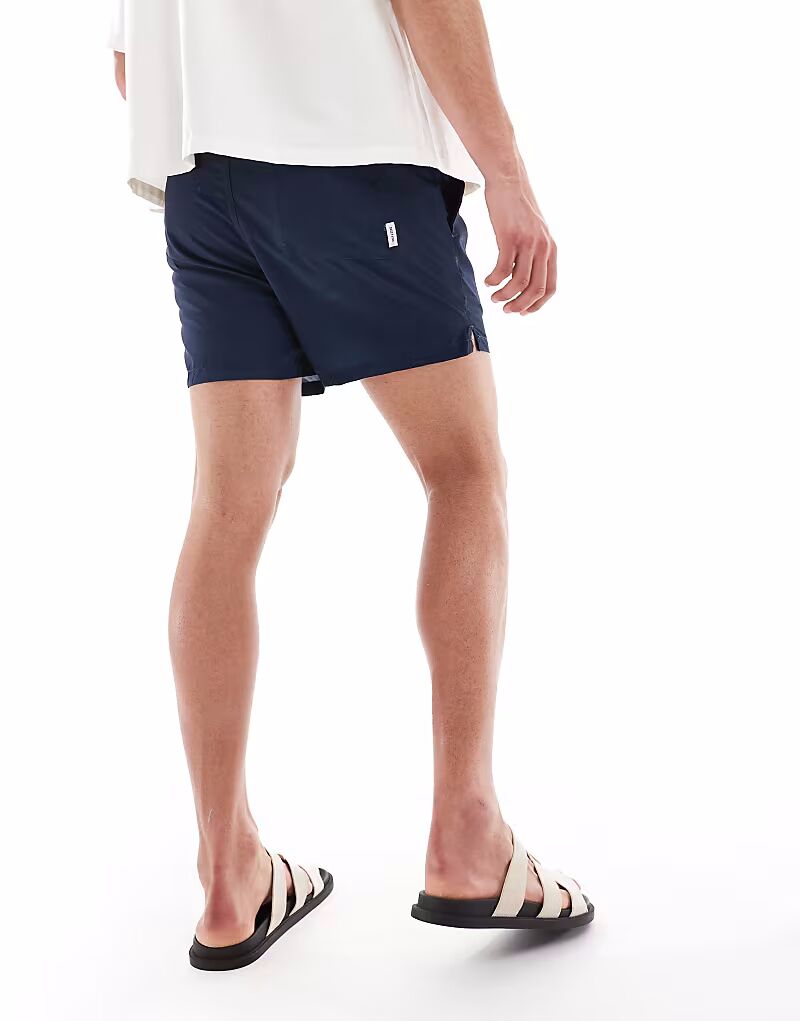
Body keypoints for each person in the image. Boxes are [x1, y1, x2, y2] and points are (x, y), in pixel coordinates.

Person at [109, 0, 593, 971]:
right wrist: (507, 173)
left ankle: (227, 873)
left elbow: (129, 64)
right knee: (463, 469)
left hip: (203, 181)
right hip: (347, 158)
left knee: (226, 507)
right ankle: (467, 834)